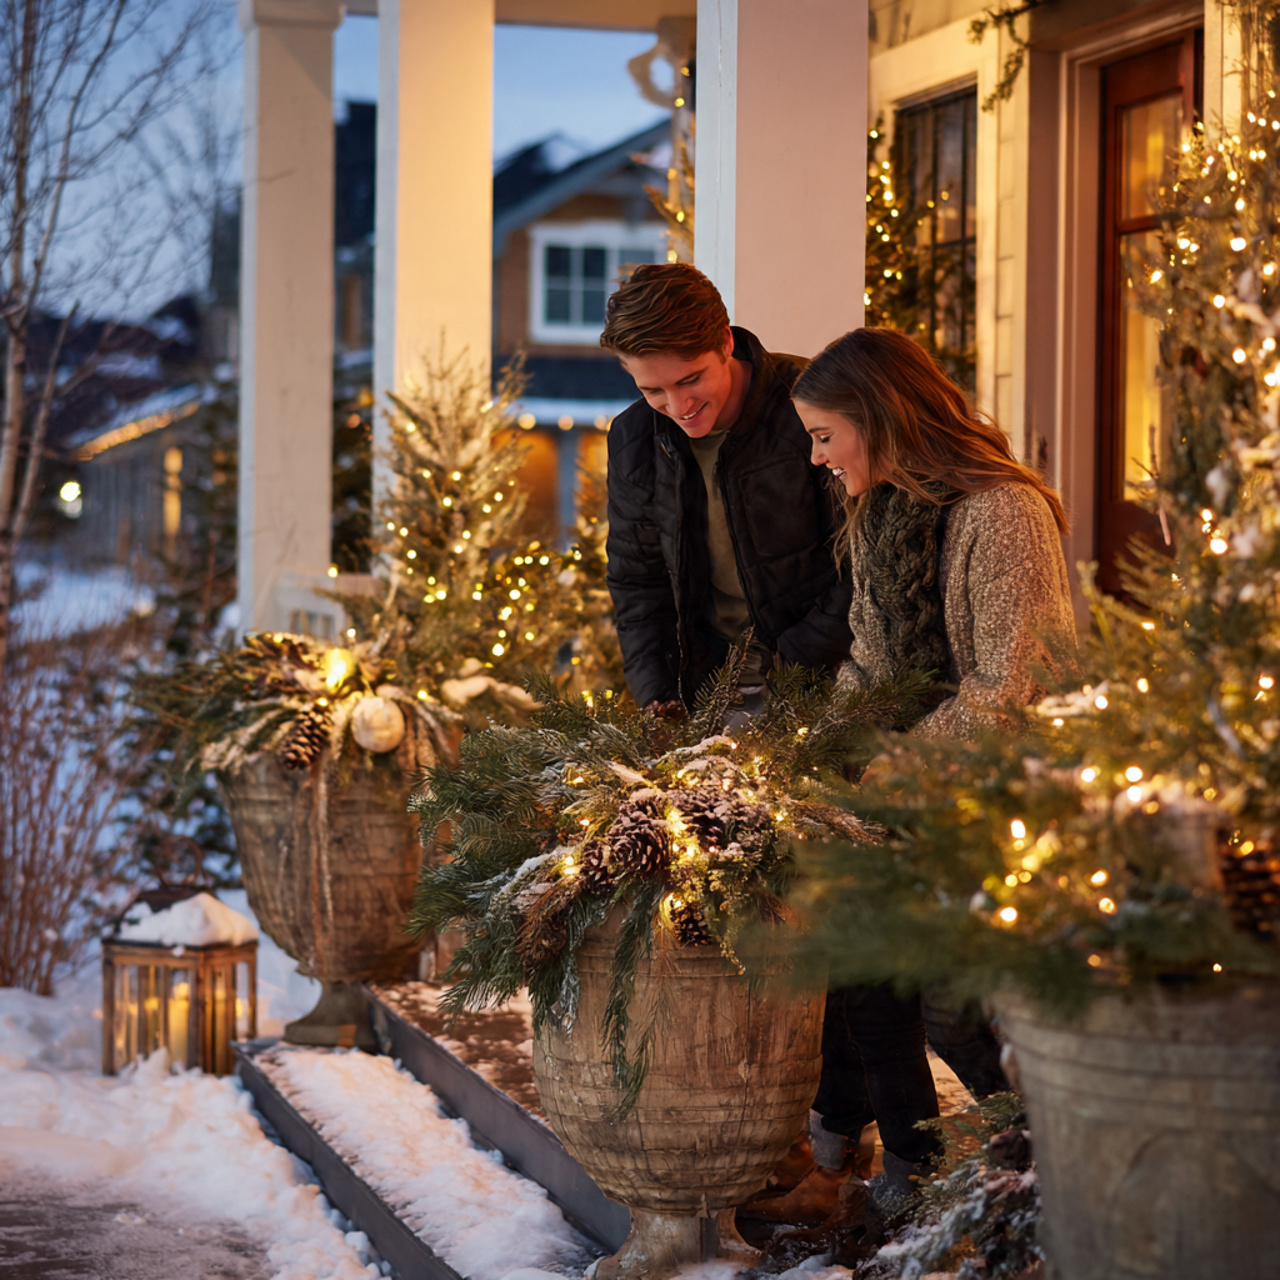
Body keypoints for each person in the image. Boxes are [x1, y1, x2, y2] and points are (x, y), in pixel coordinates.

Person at [792, 326, 1077, 1222]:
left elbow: (1016, 687)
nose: (817, 457)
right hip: (913, 797)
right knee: (865, 974)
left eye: (825, 435)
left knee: (960, 1009)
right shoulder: (884, 514)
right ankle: (912, 1176)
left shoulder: (1003, 512)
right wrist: (816, 753)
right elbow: (872, 665)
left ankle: (1058, 1172)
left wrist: (893, 772)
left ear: (880, 417)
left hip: (999, 804)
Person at [600, 263, 852, 715]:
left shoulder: (810, 407)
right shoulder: (632, 439)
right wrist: (659, 699)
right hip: (709, 690)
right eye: (653, 390)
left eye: (690, 379)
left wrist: (792, 667)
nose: (678, 406)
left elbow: (858, 561)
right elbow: (638, 583)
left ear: (725, 342)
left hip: (829, 680)